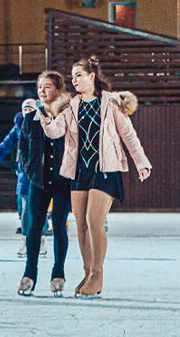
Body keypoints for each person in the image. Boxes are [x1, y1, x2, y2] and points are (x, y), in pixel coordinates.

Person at [39, 56, 151, 298]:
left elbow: (129, 135)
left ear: (92, 76)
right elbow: (57, 131)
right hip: (80, 169)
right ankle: (88, 272)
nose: (74, 80)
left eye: (78, 75)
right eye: (72, 76)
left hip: (106, 169)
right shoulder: (70, 105)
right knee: (80, 224)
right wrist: (47, 122)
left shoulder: (111, 103)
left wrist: (141, 162)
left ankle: (97, 275)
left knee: (93, 220)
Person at [16, 71, 72, 297]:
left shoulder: (68, 116)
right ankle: (29, 274)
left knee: (59, 226)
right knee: (33, 228)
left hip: (62, 182)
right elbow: (23, 148)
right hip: (38, 182)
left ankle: (58, 273)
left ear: (58, 90)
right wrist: (30, 170)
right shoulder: (30, 119)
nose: (42, 90)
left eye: (47, 86)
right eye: (40, 86)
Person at [0, 110, 33, 252]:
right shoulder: (18, 128)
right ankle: (26, 240)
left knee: (38, 208)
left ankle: (39, 239)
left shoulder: (43, 124)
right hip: (24, 173)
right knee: (24, 208)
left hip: (41, 173)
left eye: (31, 109)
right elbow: (3, 148)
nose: (28, 112)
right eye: (25, 109)